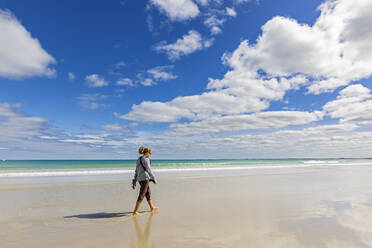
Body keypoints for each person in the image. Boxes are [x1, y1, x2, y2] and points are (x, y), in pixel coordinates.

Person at [132, 146, 158, 216]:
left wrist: (135, 179)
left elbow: (136, 170)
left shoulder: (139, 159)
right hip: (145, 179)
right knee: (142, 194)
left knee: (148, 192)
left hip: (140, 179)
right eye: (150, 153)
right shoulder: (146, 159)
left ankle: (151, 207)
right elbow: (149, 170)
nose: (150, 154)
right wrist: (154, 178)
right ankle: (135, 211)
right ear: (147, 152)